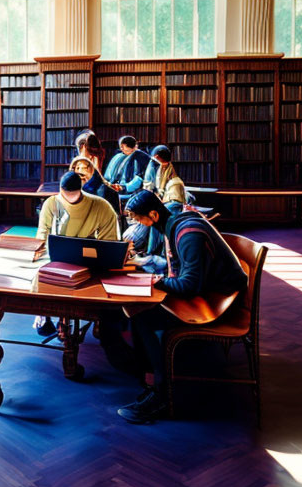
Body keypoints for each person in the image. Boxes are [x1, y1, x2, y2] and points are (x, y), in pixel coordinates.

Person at [116, 190, 248, 424]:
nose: (138, 224)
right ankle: (152, 381)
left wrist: (158, 281)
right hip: (211, 288)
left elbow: (189, 285)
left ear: (154, 214)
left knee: (143, 319)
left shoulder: (187, 234)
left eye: (139, 219)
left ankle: (161, 396)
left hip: (219, 300)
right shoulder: (174, 222)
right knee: (137, 312)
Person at [34, 172, 135, 372]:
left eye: (71, 194)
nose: (67, 199)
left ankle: (76, 323)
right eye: (64, 195)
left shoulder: (101, 206)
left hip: (91, 265)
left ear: (81, 190)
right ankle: (46, 315)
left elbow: (109, 244)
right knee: (43, 280)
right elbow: (42, 238)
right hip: (56, 263)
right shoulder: (51, 204)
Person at [108, 136, 152, 200]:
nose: (121, 148)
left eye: (123, 146)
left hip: (132, 190)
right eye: (121, 146)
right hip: (119, 187)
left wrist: (123, 187)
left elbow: (139, 179)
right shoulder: (121, 156)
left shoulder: (141, 157)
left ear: (131, 147)